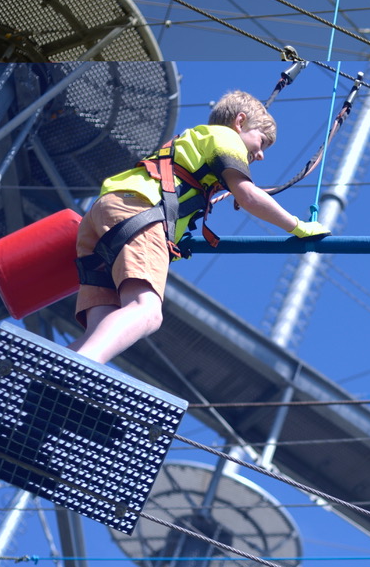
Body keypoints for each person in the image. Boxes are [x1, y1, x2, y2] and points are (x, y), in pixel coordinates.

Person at [70, 90, 329, 364]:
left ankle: (60, 372)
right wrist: (298, 226)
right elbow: (249, 196)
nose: (261, 155)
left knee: (101, 325)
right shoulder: (226, 137)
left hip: (106, 213)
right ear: (240, 122)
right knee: (146, 311)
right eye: (262, 142)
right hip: (138, 211)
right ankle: (80, 367)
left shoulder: (196, 141)